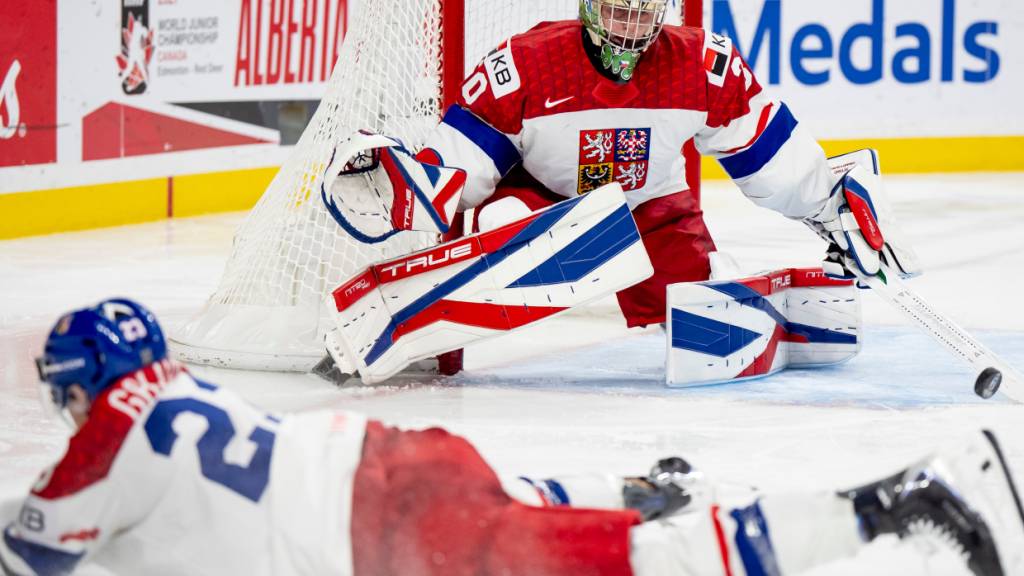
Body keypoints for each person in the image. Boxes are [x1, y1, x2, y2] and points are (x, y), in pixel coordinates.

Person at [2, 299, 1022, 576]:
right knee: (508, 512)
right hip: (399, 462)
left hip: (380, 535)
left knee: (648, 566)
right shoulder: (189, 392)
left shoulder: (104, 441)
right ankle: (613, 485)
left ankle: (895, 505)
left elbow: (32, 549)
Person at [414, 0, 920, 332]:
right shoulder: (527, 63)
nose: (629, 30)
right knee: (502, 226)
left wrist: (831, 206)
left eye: (642, 15)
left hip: (650, 212)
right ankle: (438, 311)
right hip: (545, 201)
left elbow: (768, 154)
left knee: (703, 322)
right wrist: (414, 193)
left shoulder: (702, 65)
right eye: (617, 12)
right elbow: (463, 159)